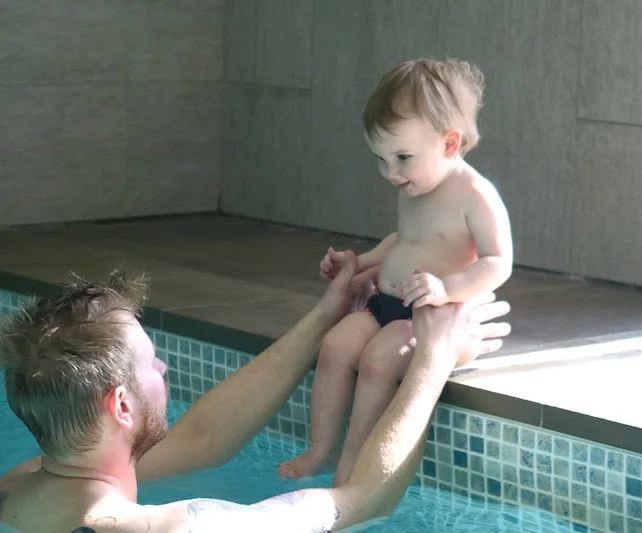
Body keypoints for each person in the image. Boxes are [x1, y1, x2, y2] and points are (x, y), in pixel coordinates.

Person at [0, 250, 511, 533]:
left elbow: (203, 437)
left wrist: (328, 314)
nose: (164, 364)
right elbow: (362, 501)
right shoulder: (182, 529)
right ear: (121, 404)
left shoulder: (17, 485)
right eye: (149, 362)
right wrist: (432, 358)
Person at [279, 57, 514, 485]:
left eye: (402, 157)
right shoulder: (417, 184)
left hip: (427, 318)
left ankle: (354, 464)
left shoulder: (474, 194)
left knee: (375, 362)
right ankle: (321, 449)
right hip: (387, 302)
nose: (390, 173)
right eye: (382, 159)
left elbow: (499, 261)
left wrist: (447, 288)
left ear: (449, 143)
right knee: (334, 346)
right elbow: (404, 241)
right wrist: (360, 263)